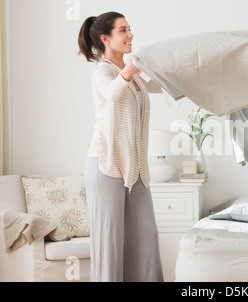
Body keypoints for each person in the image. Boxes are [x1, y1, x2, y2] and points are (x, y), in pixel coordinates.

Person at [78, 11, 164, 282]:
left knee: (146, 233)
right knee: (110, 241)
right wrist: (132, 67)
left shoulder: (134, 77)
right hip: (106, 165)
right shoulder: (103, 72)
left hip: (136, 168)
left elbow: (162, 86)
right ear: (106, 38)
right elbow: (113, 92)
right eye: (123, 30)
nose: (131, 35)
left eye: (130, 29)